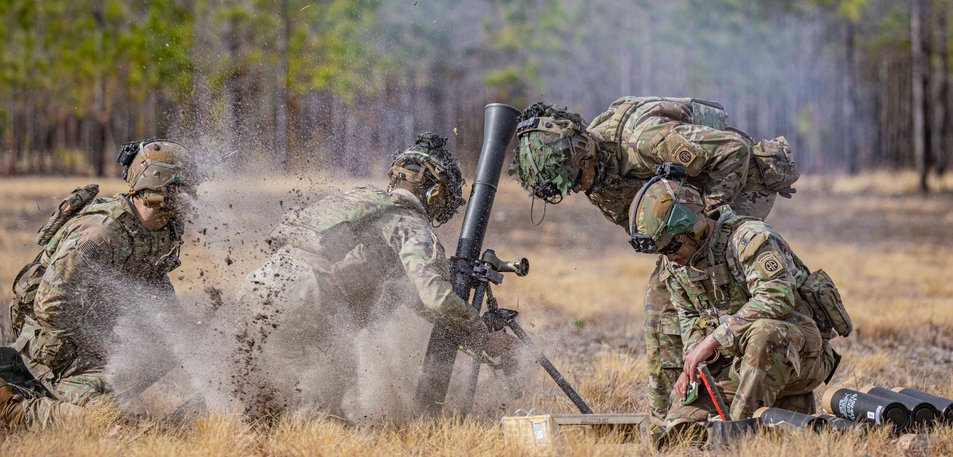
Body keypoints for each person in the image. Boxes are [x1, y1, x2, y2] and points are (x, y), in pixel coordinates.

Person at [509, 98, 800, 428]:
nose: (578, 187)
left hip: (738, 184)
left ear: (584, 152)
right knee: (665, 301)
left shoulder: (645, 142)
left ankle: (752, 394)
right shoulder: (596, 177)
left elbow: (734, 152)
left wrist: (703, 217)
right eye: (570, 185)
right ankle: (672, 419)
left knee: (727, 288)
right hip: (685, 212)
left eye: (576, 177)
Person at [232, 132, 513, 417]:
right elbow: (436, 299)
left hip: (259, 288)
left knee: (266, 390)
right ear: (434, 192)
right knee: (328, 394)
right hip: (306, 298)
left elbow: (413, 297)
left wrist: (463, 326)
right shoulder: (412, 225)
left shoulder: (360, 198)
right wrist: (481, 333)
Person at [0, 139, 200, 430]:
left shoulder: (163, 231)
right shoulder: (99, 234)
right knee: (110, 424)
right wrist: (101, 345)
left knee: (170, 348)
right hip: (57, 349)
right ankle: (15, 412)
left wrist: (185, 335)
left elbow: (155, 282)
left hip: (100, 338)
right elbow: (49, 307)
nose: (191, 198)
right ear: (158, 184)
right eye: (183, 189)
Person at [627, 176, 840, 425]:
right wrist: (693, 362)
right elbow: (688, 316)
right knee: (681, 427)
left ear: (694, 227)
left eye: (673, 246)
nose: (671, 256)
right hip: (738, 363)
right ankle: (758, 420)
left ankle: (736, 434)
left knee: (764, 333)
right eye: (663, 250)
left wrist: (713, 340)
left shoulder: (749, 238)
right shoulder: (676, 265)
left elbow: (777, 296)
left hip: (800, 358)